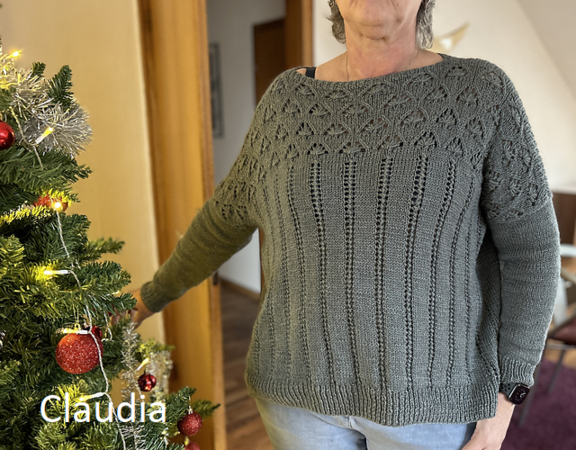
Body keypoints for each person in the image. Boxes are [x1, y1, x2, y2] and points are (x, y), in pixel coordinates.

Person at [127, 1, 561, 449]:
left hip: (432, 410)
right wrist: (148, 298)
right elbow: (222, 221)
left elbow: (532, 251)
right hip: (297, 404)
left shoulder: (481, 93)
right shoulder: (286, 103)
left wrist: (508, 395)